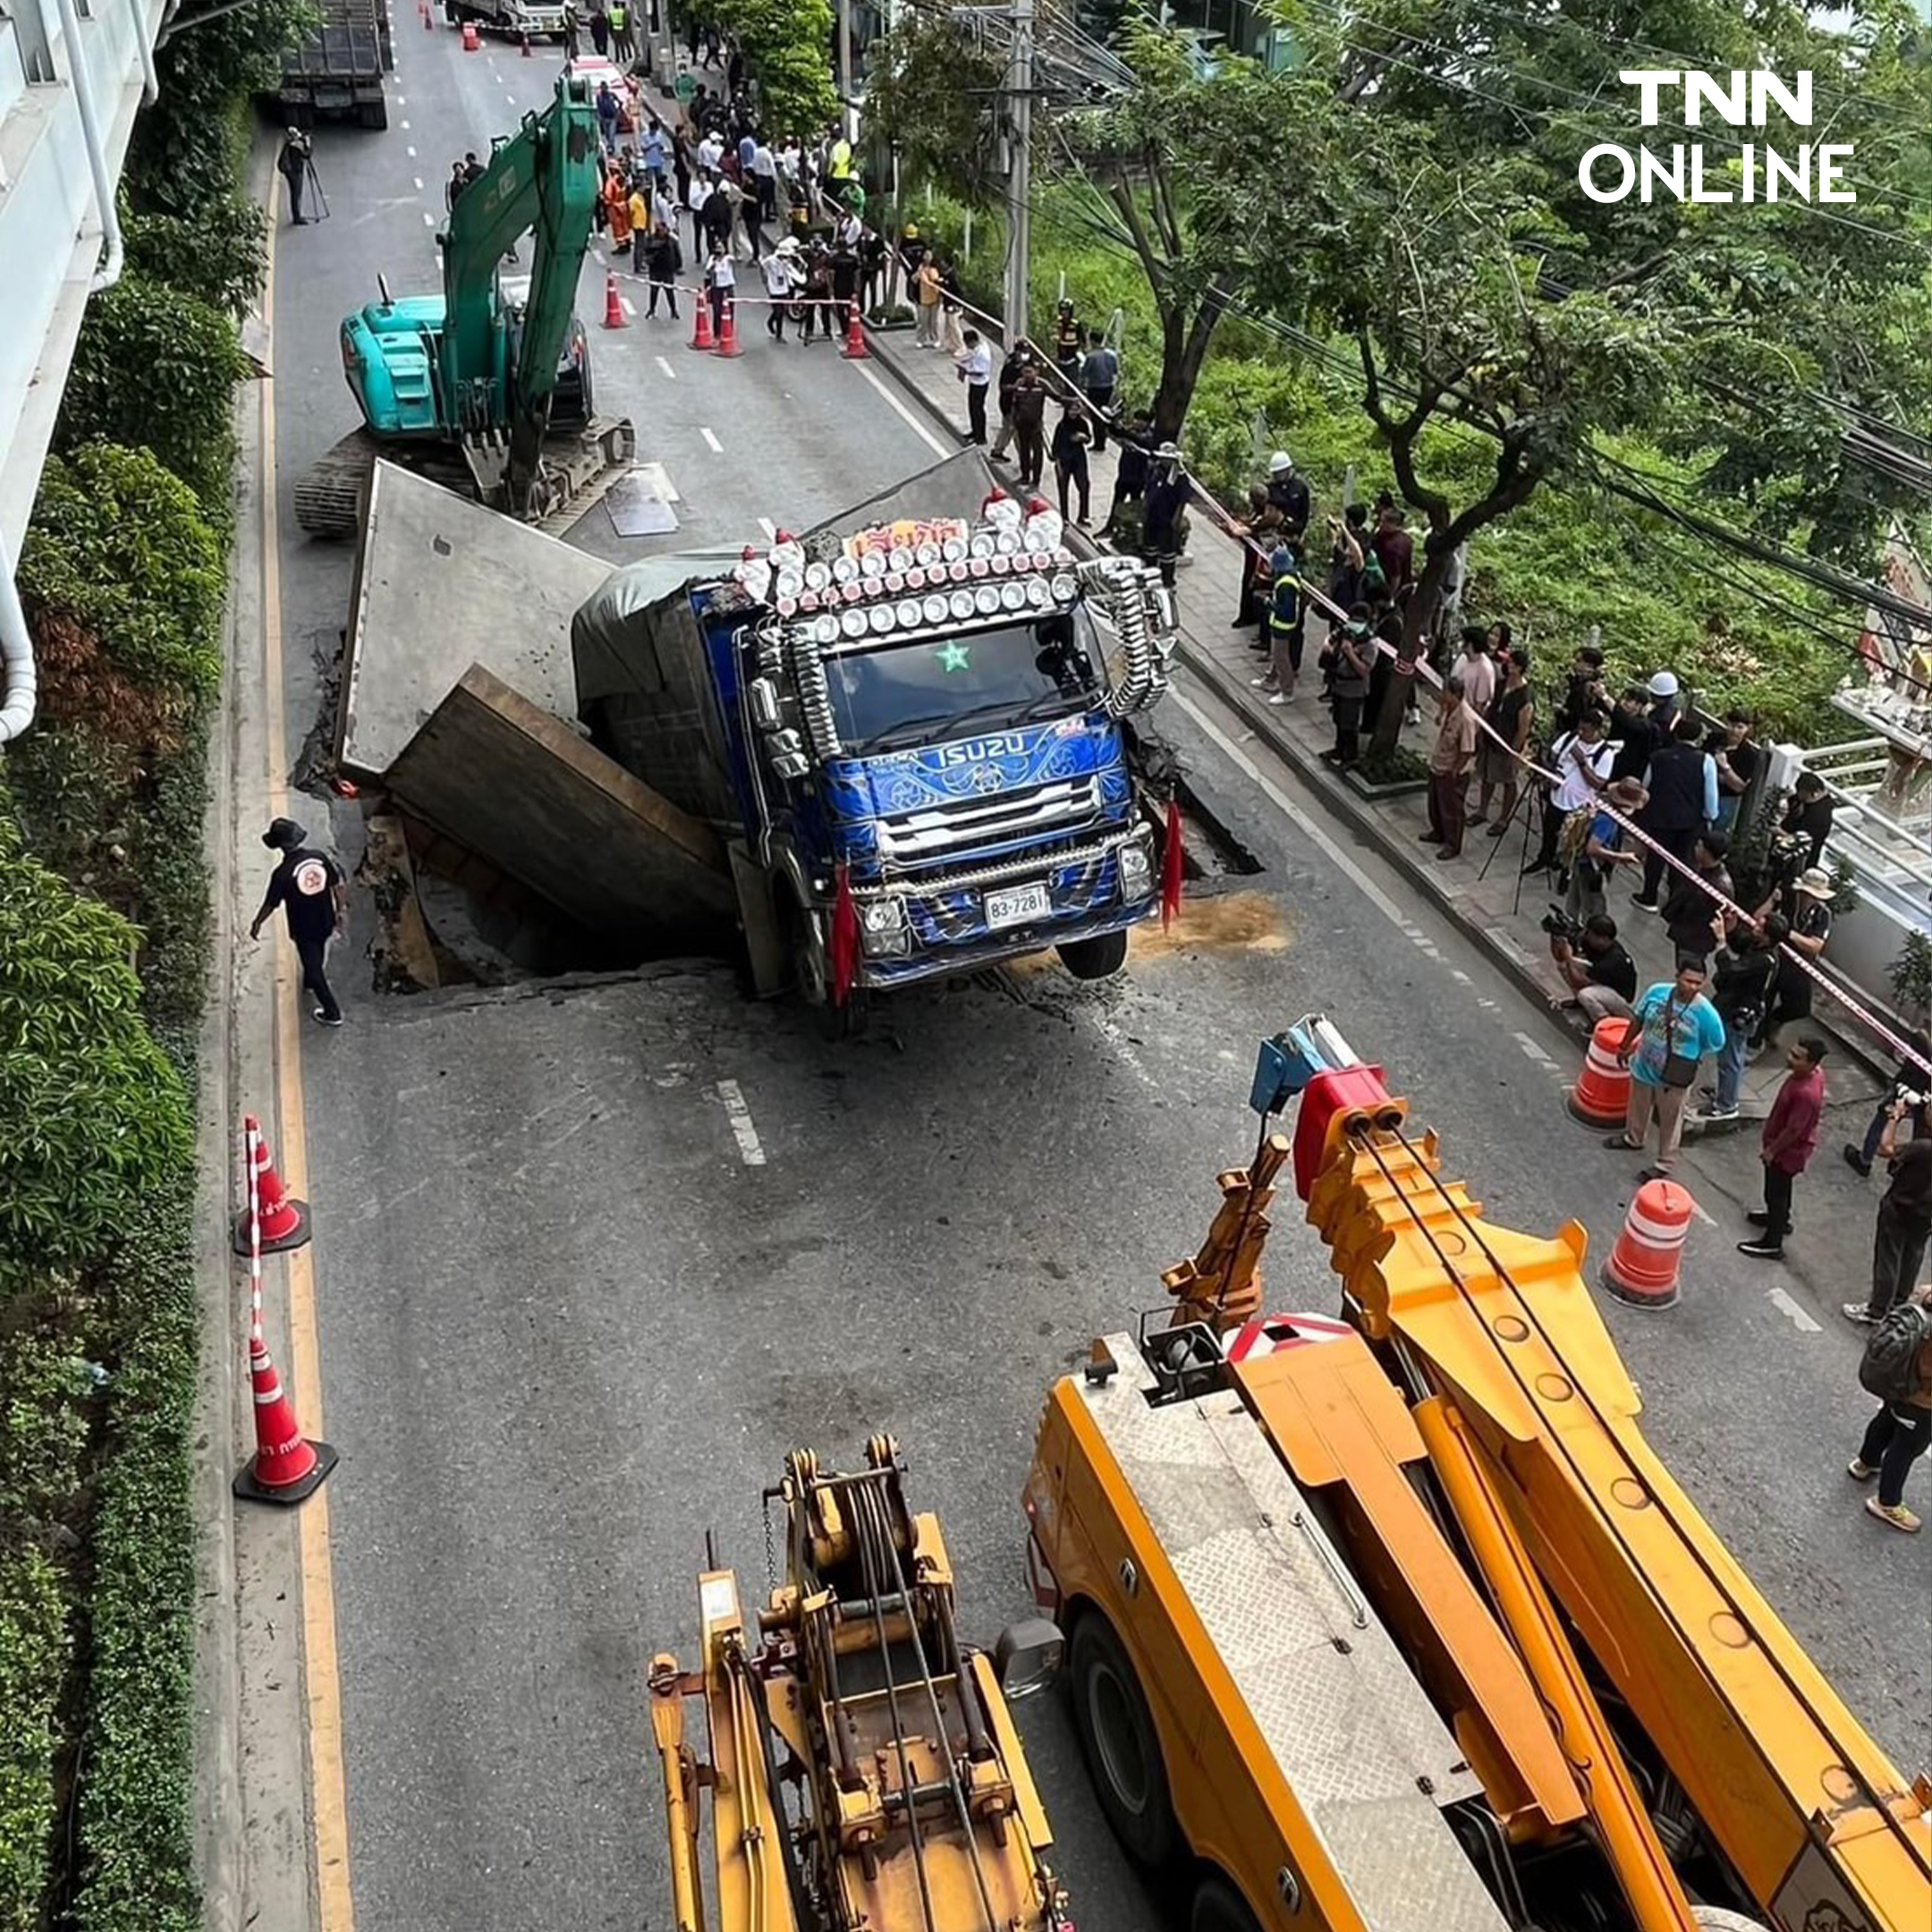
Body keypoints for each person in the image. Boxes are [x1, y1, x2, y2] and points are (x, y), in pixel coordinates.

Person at [1606, 958, 1726, 1180]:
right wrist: (1625, 1046)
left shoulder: (1706, 1013)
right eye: (1688, 980)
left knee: (1670, 1121)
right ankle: (1634, 1138)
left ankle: (1663, 1163)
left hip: (1674, 1077)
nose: (1692, 987)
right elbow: (1638, 1018)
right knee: (1638, 1105)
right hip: (1644, 1064)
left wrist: (1691, 1054)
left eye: (1698, 983)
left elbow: (1716, 1042)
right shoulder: (1657, 992)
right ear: (1677, 976)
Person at [1846, 1282, 1932, 1532]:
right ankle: (1888, 1502)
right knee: (1908, 1445)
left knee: (1886, 1420)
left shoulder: (1926, 1295)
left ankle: (1866, 1462)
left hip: (1899, 1381)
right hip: (1922, 1398)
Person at [1737, 1037, 1828, 1259]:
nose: (1790, 1059)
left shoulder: (1806, 1094)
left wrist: (1772, 1151)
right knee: (1781, 1190)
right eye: (1792, 1053)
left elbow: (1793, 1130)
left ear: (1812, 1063)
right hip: (1785, 1147)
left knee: (1775, 1193)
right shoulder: (1813, 1075)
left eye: (1797, 1058)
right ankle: (1780, 1220)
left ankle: (1772, 1242)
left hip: (1787, 1153)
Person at [250, 818, 345, 1026]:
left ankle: (332, 1012)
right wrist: (340, 910)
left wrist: (257, 923)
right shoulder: (319, 857)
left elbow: (270, 905)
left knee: (313, 967)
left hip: (304, 928)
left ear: (279, 845)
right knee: (317, 952)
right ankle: (310, 983)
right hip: (326, 920)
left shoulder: (282, 875)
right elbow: (337, 885)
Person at [1844, 1104, 1932, 1326]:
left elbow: (1885, 1148)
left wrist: (1895, 1118)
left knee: (1888, 1258)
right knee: (1913, 1256)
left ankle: (1877, 1309)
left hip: (1902, 1207)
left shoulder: (1922, 1148)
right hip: (1926, 1215)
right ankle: (1899, 1303)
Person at [1699, 914, 1786, 1121]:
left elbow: (1731, 969)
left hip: (1739, 1012)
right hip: (1735, 1006)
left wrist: (1721, 942)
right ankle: (1725, 1093)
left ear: (1767, 937)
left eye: (1759, 927)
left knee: (1730, 1058)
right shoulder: (1759, 948)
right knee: (1731, 1056)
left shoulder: (1764, 961)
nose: (1754, 927)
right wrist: (1729, 930)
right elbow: (1740, 942)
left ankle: (1726, 1104)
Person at [1633, 716, 1716, 908]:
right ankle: (1673, 902)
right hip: (1691, 822)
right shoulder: (1706, 761)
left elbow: (1645, 786)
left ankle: (1649, 897)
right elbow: (1710, 796)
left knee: (1655, 859)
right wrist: (1709, 816)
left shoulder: (1658, 757)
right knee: (1683, 861)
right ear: (1698, 738)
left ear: (1676, 734)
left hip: (1660, 818)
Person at [1527, 709, 1613, 880]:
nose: (1580, 734)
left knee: (1573, 841)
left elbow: (1598, 783)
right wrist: (1550, 774)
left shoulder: (1605, 753)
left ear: (1596, 729)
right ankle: (1545, 859)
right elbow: (1553, 756)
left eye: (1585, 731)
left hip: (1579, 806)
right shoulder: (1569, 738)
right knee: (1550, 830)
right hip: (1557, 796)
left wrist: (1582, 762)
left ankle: (1566, 870)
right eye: (1579, 729)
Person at [1758, 866, 1833, 1049]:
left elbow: (1815, 946)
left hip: (1799, 964)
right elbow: (1758, 918)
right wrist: (1771, 901)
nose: (1811, 899)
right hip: (1774, 956)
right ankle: (1757, 1039)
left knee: (1799, 1007)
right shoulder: (1787, 898)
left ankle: (1775, 1022)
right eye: (1808, 894)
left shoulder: (1823, 914)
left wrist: (1787, 933)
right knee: (1764, 1000)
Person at [1844, 1032, 1932, 1177]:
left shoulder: (1921, 1043)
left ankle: (1865, 1160)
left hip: (1908, 1088)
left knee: (1881, 1120)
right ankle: (1911, 1167)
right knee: (1921, 1132)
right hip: (1923, 1094)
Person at [1563, 775, 1647, 922]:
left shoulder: (1602, 804)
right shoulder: (1607, 821)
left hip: (1580, 862)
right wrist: (1621, 858)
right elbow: (1593, 848)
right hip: (1592, 869)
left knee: (1574, 903)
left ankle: (1570, 930)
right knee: (1594, 911)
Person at [1473, 647, 1535, 836]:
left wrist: (1514, 751)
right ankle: (1482, 810)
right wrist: (1481, 731)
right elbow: (1491, 707)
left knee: (1508, 781)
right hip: (1491, 737)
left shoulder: (1525, 696)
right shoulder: (1501, 684)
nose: (1506, 665)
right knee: (1486, 775)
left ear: (1519, 667)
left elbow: (1523, 727)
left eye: (1511, 663)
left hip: (1507, 743)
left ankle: (1503, 818)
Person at [1423, 674, 1480, 860]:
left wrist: (1454, 771)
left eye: (1445, 692)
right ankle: (1438, 832)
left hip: (1452, 771)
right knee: (1435, 804)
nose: (1442, 695)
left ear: (1454, 694)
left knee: (1451, 810)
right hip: (1439, 765)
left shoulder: (1466, 719)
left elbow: (1467, 751)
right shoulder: (1449, 709)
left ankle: (1452, 844)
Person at [1550, 911, 1639, 1025]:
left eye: (1589, 934)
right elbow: (1559, 958)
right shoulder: (1594, 944)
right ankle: (1581, 1003)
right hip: (1602, 984)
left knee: (1585, 994)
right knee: (1563, 965)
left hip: (1619, 997)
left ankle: (1603, 1022)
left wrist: (1568, 959)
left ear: (1602, 939)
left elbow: (1579, 982)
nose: (1586, 936)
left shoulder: (1613, 960)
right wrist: (1555, 936)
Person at [1658, 829, 1732, 964]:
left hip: (1696, 940)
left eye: (1699, 846)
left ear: (1706, 852)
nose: (1695, 848)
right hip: (1685, 931)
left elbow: (1728, 918)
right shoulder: (1699, 867)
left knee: (1689, 969)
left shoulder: (1719, 887)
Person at [1320, 609, 1376, 768]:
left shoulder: (1370, 643)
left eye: (1357, 621)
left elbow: (1364, 670)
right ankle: (1339, 749)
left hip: (1354, 689)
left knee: (1349, 724)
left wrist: (1350, 653)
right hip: (1339, 685)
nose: (1353, 625)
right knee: (1338, 719)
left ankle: (1350, 757)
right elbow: (1329, 647)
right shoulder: (1345, 633)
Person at [1252, 546, 1302, 706]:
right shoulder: (1287, 577)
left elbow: (1285, 610)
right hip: (1279, 624)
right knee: (1277, 655)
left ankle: (1287, 692)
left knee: (1281, 658)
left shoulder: (1286, 584)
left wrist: (1268, 602)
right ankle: (1270, 680)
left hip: (1283, 625)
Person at [1139, 444, 1186, 589]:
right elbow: (1147, 489)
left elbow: (1183, 499)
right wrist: (1145, 508)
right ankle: (1149, 576)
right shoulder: (1154, 470)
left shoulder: (1179, 475)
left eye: (1167, 458)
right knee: (1149, 548)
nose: (1164, 461)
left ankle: (1167, 581)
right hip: (1153, 515)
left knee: (1167, 552)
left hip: (1167, 516)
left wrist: (1177, 518)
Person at [1713, 711, 1758, 830]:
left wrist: (1725, 767)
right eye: (1732, 725)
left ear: (1747, 729)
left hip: (1725, 799)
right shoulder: (1715, 739)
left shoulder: (1748, 754)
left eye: (1740, 727)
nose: (1735, 731)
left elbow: (1739, 787)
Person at [1782, 771, 1835, 869]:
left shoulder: (1819, 817)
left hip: (1801, 858)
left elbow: (1802, 841)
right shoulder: (1809, 802)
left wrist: (1779, 832)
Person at [1554, 643, 1609, 736]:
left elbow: (1579, 713)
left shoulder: (1592, 687)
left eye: (1579, 661)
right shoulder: (1576, 681)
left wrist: (1563, 711)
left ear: (1589, 665)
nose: (1575, 663)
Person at [1607, 685, 1658, 785]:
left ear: (1639, 706)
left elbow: (1628, 722)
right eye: (1623, 699)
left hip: (1630, 773)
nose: (1623, 703)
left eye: (1628, 701)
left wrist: (1605, 697)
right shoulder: (1619, 716)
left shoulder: (1645, 725)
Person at [1050, 401, 1090, 521]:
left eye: (1076, 410)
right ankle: (1065, 517)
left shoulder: (1082, 423)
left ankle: (1083, 515)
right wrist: (1057, 463)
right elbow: (1055, 446)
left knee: (1084, 486)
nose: (1073, 412)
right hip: (1064, 460)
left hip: (1079, 459)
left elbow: (1089, 438)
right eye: (1071, 410)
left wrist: (1083, 437)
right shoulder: (1061, 425)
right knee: (1063, 488)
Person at [1010, 362, 1048, 489]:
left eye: (1030, 372)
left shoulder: (1042, 385)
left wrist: (1071, 402)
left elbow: (1057, 396)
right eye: (1025, 372)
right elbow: (1014, 403)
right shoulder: (1019, 385)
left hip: (1035, 425)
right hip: (1022, 425)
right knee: (1024, 451)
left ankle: (1036, 480)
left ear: (1036, 372)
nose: (1027, 375)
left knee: (1037, 453)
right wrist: (1013, 421)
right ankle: (1025, 476)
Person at [1079, 330, 1118, 447]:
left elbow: (1084, 373)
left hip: (1095, 387)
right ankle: (1103, 440)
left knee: (1096, 415)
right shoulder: (1111, 354)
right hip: (1108, 387)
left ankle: (1098, 443)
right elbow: (1115, 370)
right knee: (1104, 412)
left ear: (1092, 341)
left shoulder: (1091, 356)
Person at [1265, 450, 1311, 547]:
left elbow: (1304, 516)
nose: (1278, 475)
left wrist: (1296, 531)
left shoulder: (1300, 488)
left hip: (1292, 536)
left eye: (1280, 472)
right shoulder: (1270, 488)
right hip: (1271, 534)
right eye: (1276, 473)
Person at [958, 329, 994, 445]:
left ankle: (980, 436)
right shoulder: (979, 347)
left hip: (980, 384)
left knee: (978, 410)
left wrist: (966, 371)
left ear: (972, 341)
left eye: (967, 344)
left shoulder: (982, 353)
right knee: (972, 408)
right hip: (974, 383)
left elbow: (980, 371)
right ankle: (975, 431)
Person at [643, 221, 682, 318]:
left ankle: (673, 311)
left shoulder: (671, 240)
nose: (660, 232)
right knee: (654, 291)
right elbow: (647, 250)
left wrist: (677, 266)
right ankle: (652, 310)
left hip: (667, 270)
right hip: (655, 269)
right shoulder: (651, 239)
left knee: (669, 291)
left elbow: (677, 253)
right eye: (658, 230)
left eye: (661, 229)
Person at [759, 238, 795, 336]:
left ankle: (778, 331)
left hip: (784, 288)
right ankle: (774, 328)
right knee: (778, 311)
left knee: (782, 311)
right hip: (774, 289)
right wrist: (765, 280)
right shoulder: (770, 260)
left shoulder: (787, 262)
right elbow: (762, 266)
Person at [278, 126, 313, 225]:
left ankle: (296, 215)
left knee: (294, 193)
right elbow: (307, 155)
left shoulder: (289, 143)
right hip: (295, 171)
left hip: (289, 171)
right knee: (296, 194)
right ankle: (297, 217)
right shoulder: (296, 145)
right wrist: (308, 144)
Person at [704, 241, 735, 338]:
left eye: (721, 247)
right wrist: (714, 263)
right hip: (716, 288)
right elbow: (708, 271)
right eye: (717, 248)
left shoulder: (728, 259)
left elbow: (733, 261)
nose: (719, 250)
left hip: (728, 287)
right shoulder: (712, 259)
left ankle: (728, 330)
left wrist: (723, 257)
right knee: (717, 311)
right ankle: (717, 333)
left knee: (729, 310)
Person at [912, 254, 943, 347]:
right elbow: (913, 280)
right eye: (925, 255)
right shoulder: (919, 268)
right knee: (922, 320)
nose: (927, 258)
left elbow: (938, 281)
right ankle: (921, 339)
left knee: (933, 321)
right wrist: (918, 274)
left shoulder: (936, 269)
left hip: (934, 297)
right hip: (922, 298)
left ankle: (935, 338)